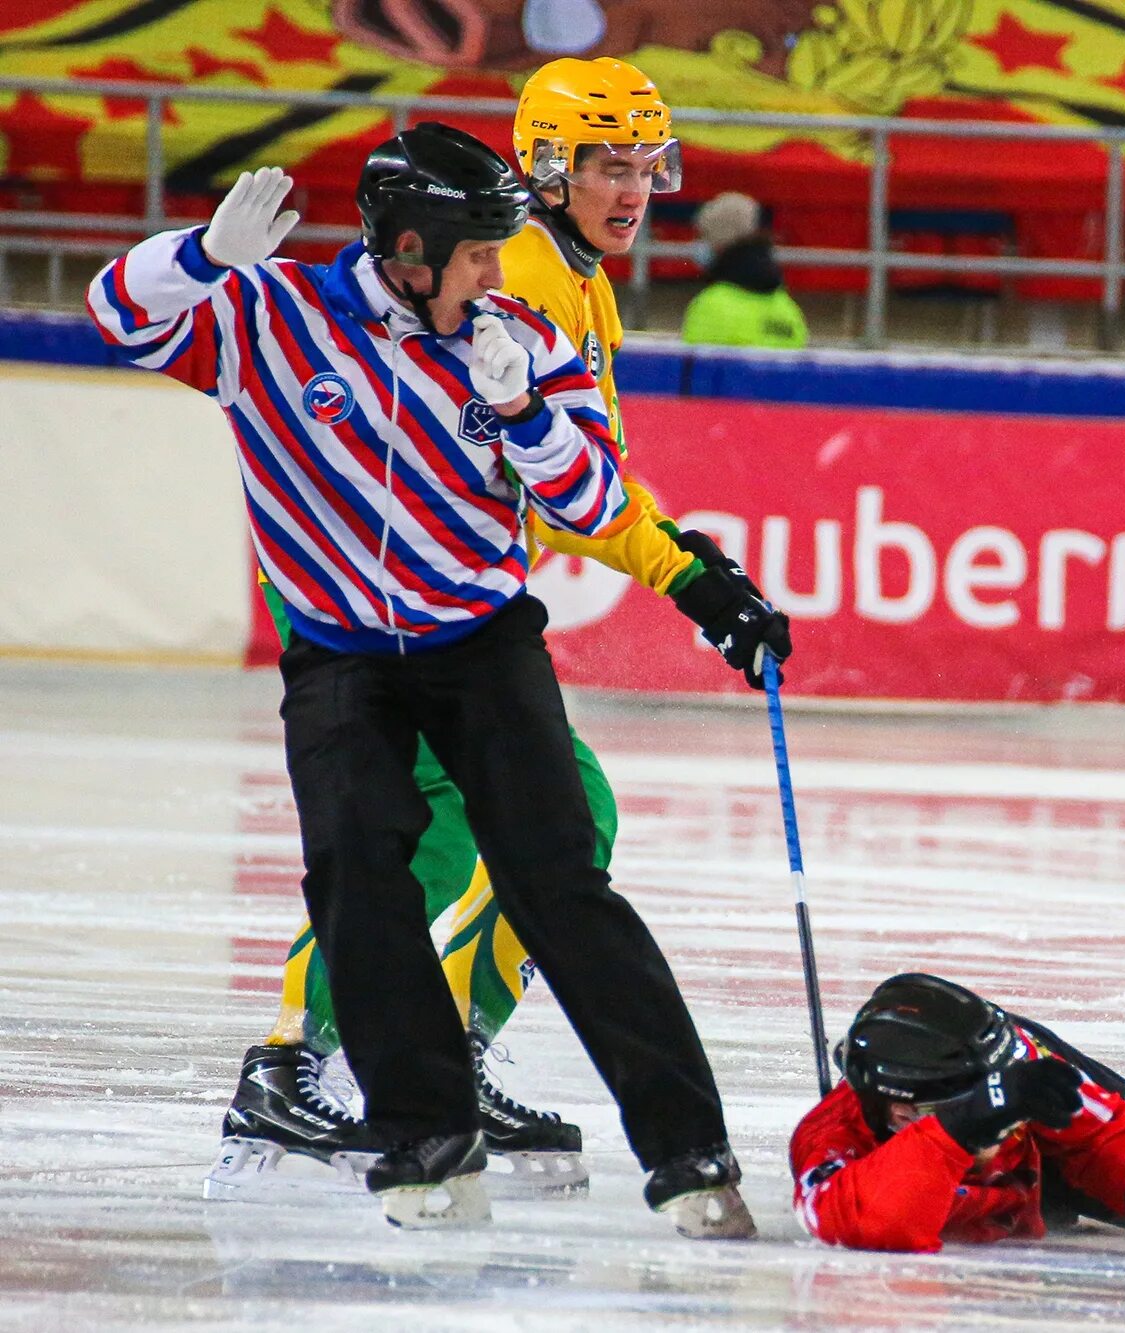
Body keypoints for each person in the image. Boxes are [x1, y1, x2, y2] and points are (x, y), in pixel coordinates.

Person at [90, 125, 773, 1234]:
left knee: (562, 886)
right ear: (411, 248)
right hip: (341, 655)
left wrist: (527, 417)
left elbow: (593, 501)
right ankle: (424, 1140)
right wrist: (203, 257)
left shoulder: (519, 341)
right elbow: (119, 315)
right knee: (359, 882)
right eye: (479, 255)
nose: (499, 275)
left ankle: (691, 1151)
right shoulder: (272, 317)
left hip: (480, 647)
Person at [791, 974, 1125, 1257]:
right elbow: (865, 1220)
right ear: (900, 1113)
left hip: (1026, 1094)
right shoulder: (831, 1139)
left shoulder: (1013, 1075)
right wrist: (968, 1123)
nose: (1002, 1133)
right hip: (973, 1164)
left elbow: (1104, 1126)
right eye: (969, 1107)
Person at [680, 191, 808, 349]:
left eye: (703, 235)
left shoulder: (711, 305)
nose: (698, 244)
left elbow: (695, 369)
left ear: (720, 241)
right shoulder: (788, 311)